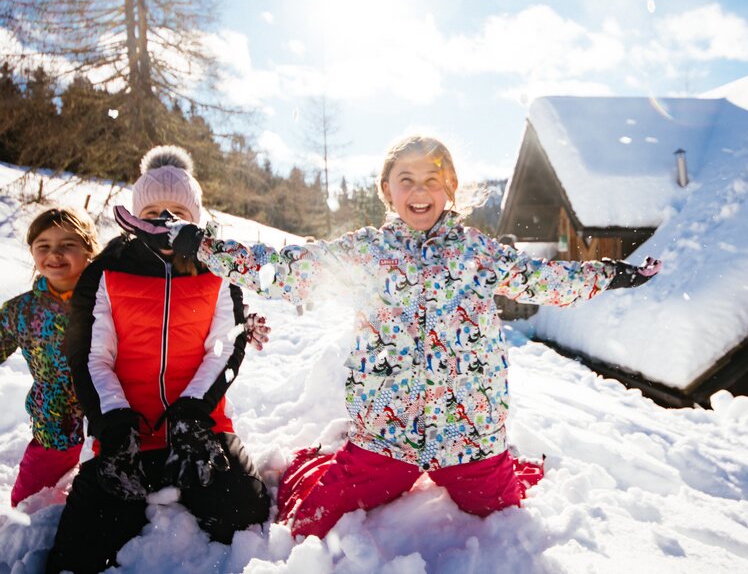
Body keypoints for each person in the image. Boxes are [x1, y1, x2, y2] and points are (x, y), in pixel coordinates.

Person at [115, 134, 661, 540]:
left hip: (467, 435)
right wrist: (203, 246)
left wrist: (611, 273)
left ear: (451, 189)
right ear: (387, 190)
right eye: (407, 179)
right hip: (386, 435)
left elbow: (548, 279)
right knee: (309, 522)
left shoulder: (478, 253)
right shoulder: (367, 252)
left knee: (503, 510)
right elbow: (283, 269)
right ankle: (326, 462)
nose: (419, 190)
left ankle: (498, 467)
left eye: (432, 179)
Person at [46, 145, 270, 574]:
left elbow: (225, 345)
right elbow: (91, 355)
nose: (165, 220)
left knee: (244, 512)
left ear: (196, 217)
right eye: (153, 209)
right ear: (134, 215)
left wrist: (193, 412)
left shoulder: (217, 269)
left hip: (200, 432)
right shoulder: (107, 270)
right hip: (125, 437)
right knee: (82, 543)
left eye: (177, 210)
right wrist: (113, 424)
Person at [1, 207, 99, 507]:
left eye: (67, 245)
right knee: (26, 504)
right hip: (53, 424)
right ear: (32, 252)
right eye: (43, 246)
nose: (54, 254)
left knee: (99, 500)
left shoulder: (106, 302)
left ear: (89, 251)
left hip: (105, 423)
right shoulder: (21, 311)